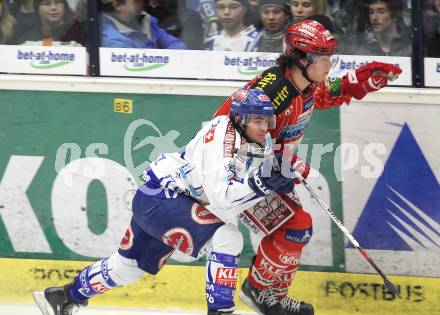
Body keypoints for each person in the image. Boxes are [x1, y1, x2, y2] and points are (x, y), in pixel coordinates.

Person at [33, 88, 297, 315]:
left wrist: (274, 179)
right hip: (164, 200)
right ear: (241, 119)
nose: (265, 128)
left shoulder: (241, 133)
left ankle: (63, 297)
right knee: (228, 238)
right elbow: (222, 196)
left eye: (267, 121)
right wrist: (262, 183)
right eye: (259, 121)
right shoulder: (223, 142)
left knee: (128, 267)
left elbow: (236, 186)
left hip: (159, 198)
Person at [213, 15, 402, 315]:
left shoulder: (304, 83)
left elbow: (324, 94)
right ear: (300, 59)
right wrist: (274, 156)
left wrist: (359, 80)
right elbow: (230, 130)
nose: (329, 65)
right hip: (235, 173)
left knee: (297, 230)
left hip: (271, 170)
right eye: (322, 57)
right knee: (295, 226)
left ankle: (270, 293)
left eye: (330, 56)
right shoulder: (275, 88)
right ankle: (260, 291)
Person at [100, 0, 186, 49]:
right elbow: (140, 72)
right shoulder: (112, 40)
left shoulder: (145, 20)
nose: (142, 5)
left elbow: (176, 45)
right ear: (118, 5)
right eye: (137, 1)